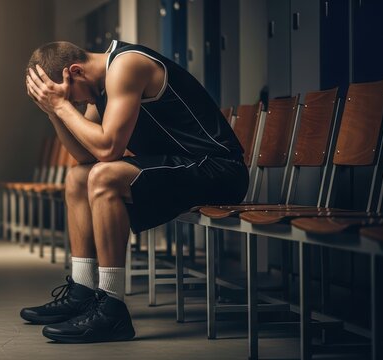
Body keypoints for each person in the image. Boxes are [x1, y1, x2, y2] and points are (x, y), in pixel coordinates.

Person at [21, 40, 248, 343]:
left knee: (104, 177)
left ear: (74, 71)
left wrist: (61, 106)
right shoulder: (97, 89)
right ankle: (82, 291)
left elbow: (107, 148)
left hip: (219, 170)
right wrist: (54, 113)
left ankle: (111, 308)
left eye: (68, 95)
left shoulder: (127, 65)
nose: (71, 103)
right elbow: (85, 156)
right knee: (77, 178)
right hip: (180, 169)